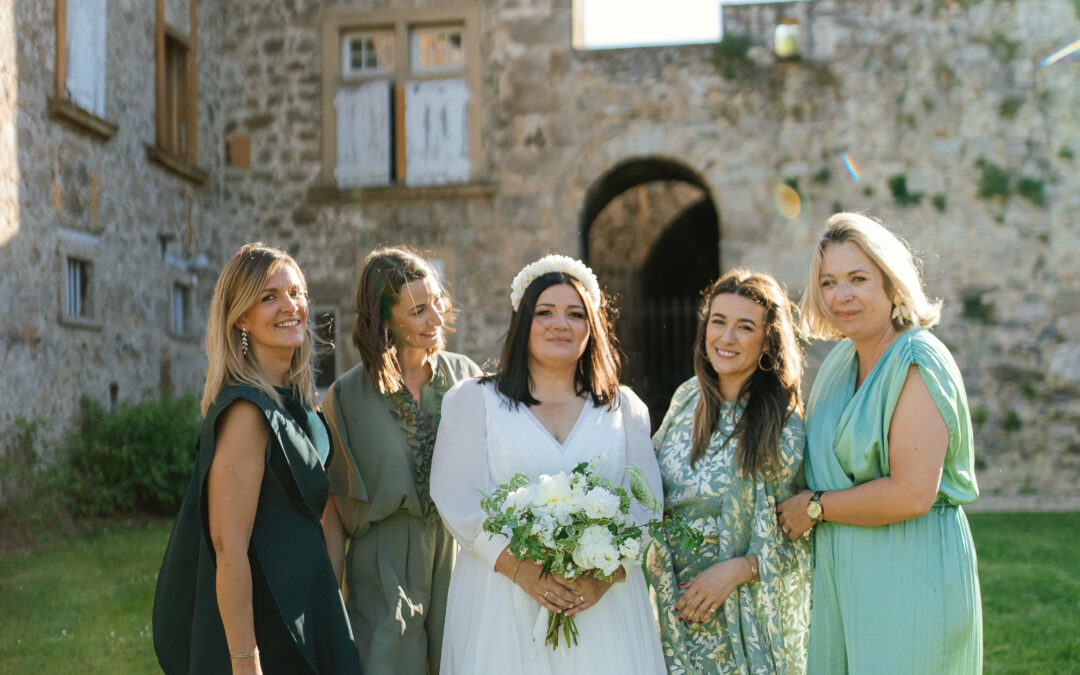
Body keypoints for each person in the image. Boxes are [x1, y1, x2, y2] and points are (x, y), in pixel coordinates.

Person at [430, 254, 666, 674]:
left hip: (599, 606)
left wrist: (603, 579)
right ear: (523, 324)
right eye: (545, 312)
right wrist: (521, 571)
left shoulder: (622, 407)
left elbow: (645, 507)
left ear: (591, 328)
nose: (561, 323)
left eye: (576, 314)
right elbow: (456, 499)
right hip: (503, 599)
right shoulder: (475, 401)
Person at [776, 212, 983, 674]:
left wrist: (814, 507)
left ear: (891, 283)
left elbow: (912, 493)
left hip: (913, 573)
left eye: (858, 278)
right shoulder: (835, 365)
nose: (841, 295)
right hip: (842, 578)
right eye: (828, 282)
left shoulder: (916, 359)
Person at [153, 243, 360, 675]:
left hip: (312, 607)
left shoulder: (301, 404)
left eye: (297, 292)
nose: (292, 305)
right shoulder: (247, 413)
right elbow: (228, 549)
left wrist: (328, 599)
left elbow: (322, 512)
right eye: (270, 296)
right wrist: (246, 662)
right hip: (269, 620)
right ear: (241, 318)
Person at [320, 247, 481, 674]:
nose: (436, 320)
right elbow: (333, 513)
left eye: (437, 304)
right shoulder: (344, 399)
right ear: (385, 319)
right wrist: (325, 608)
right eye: (419, 311)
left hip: (460, 556)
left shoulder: (469, 379)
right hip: (382, 570)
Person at [647, 269, 812, 675]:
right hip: (674, 611)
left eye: (744, 327)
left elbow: (807, 535)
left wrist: (737, 571)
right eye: (718, 322)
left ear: (768, 341)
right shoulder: (686, 399)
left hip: (744, 617)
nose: (726, 338)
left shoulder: (785, 425)